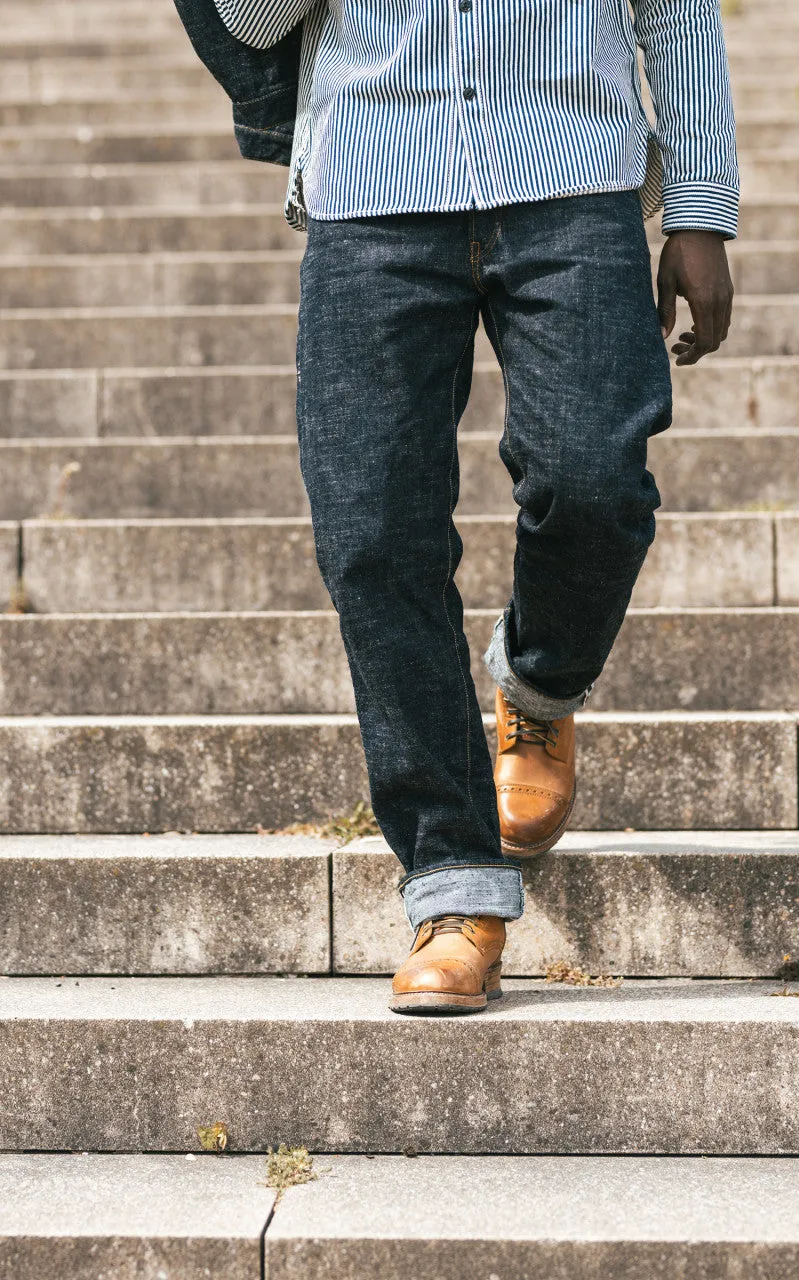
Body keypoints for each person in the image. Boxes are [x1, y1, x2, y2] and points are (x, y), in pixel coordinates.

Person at [176, 0, 737, 1015]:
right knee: (372, 532)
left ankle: (538, 684)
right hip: (371, 180)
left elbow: (677, 10)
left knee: (595, 479)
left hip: (571, 171)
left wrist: (699, 206)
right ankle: (453, 891)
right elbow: (254, 22)